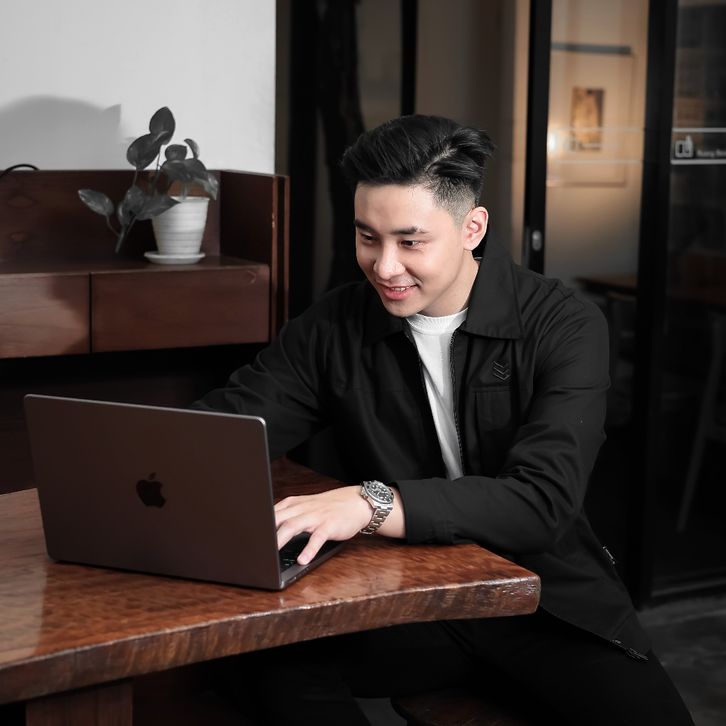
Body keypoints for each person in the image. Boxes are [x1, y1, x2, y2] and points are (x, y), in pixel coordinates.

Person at [194, 115, 694, 725]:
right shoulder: (334, 326)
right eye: (367, 238)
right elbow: (226, 431)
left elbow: (543, 501)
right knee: (252, 658)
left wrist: (370, 503)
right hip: (406, 597)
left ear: (471, 228)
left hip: (542, 597)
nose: (384, 266)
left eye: (410, 242)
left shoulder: (562, 324)